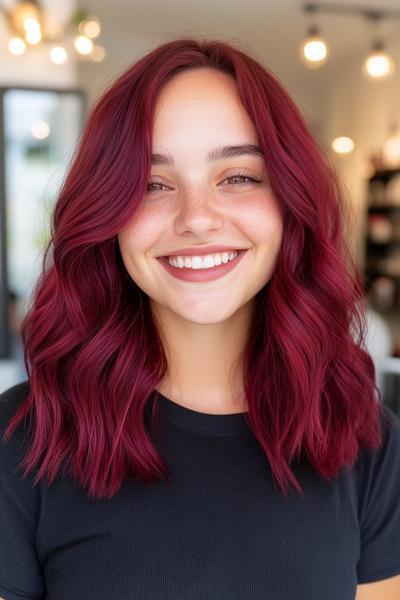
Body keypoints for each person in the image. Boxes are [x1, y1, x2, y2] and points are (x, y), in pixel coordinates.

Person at [1, 37, 399, 600]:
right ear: (107, 216)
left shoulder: (368, 442)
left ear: (291, 202)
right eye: (152, 185)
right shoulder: (21, 442)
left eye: (238, 177)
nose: (196, 219)